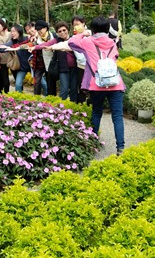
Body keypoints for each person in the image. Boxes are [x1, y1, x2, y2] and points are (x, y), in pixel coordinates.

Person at [53, 15, 125, 154]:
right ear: (106, 28)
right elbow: (115, 57)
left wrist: (84, 34)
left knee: (97, 113)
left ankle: (93, 144)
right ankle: (120, 148)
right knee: (117, 116)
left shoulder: (87, 42)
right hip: (116, 84)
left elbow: (72, 42)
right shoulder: (113, 43)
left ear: (92, 28)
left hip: (97, 85)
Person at [38, 21, 77, 98]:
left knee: (74, 89)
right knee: (64, 89)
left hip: (75, 68)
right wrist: (33, 47)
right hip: (63, 69)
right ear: (57, 33)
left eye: (64, 30)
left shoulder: (74, 39)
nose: (62, 33)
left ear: (68, 30)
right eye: (59, 31)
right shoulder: (57, 40)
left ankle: (73, 107)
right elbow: (45, 44)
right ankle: (61, 108)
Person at [6, 24, 33, 92]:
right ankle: (19, 100)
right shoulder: (12, 42)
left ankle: (46, 100)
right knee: (18, 84)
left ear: (19, 31)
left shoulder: (27, 39)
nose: (12, 33)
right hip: (22, 68)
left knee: (43, 84)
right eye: (11, 31)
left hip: (32, 66)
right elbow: (5, 46)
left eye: (14, 31)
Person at [29, 19, 52, 96]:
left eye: (40, 29)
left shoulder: (52, 37)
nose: (39, 31)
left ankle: (49, 98)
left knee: (50, 82)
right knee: (37, 82)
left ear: (46, 28)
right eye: (37, 29)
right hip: (39, 64)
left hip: (49, 63)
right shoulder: (36, 39)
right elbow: (31, 45)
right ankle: (36, 99)